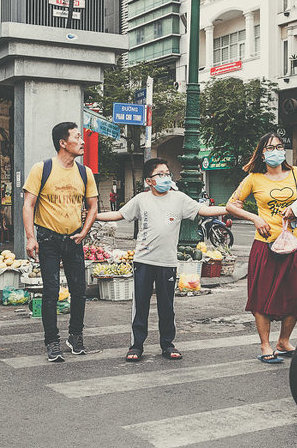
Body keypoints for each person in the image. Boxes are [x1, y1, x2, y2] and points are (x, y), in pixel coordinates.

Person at [96, 158, 230, 362]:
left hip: (167, 263)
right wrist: (92, 216)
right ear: (150, 180)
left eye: (168, 173)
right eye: (161, 174)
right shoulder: (142, 199)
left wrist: (229, 208)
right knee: (140, 305)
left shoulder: (179, 199)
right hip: (143, 260)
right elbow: (118, 214)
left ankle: (167, 343)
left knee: (167, 306)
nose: (166, 177)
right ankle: (136, 345)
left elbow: (204, 210)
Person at [226, 132, 297, 364]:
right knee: (262, 296)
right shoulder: (254, 178)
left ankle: (283, 341)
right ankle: (265, 345)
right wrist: (255, 218)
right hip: (265, 245)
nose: (275, 151)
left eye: (279, 146)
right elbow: (231, 205)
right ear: (262, 153)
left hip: (295, 244)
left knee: (294, 296)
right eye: (269, 147)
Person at [22, 121, 99, 363]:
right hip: (48, 239)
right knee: (51, 292)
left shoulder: (84, 173)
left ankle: (75, 336)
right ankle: (52, 342)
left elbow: (93, 205)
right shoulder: (41, 169)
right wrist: (30, 238)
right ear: (63, 143)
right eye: (77, 137)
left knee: (79, 291)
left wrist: (84, 232)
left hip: (75, 239)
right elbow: (28, 205)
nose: (82, 141)